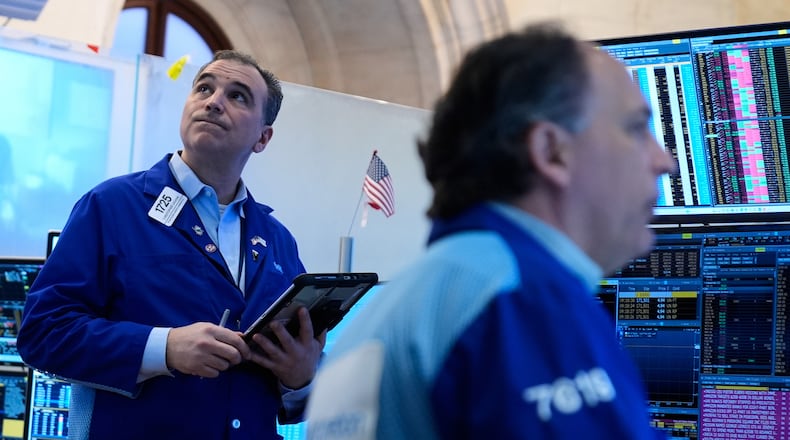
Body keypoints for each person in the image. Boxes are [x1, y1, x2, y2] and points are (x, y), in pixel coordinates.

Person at [306, 23, 677, 439]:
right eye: (636, 128)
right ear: (551, 151)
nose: (665, 161)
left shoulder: (386, 314)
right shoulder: (521, 301)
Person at [17, 50, 325, 440]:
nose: (214, 101)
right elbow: (42, 333)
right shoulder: (112, 206)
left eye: (238, 96)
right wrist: (163, 347)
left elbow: (296, 393)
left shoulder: (278, 240)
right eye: (204, 88)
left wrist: (301, 377)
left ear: (263, 138)